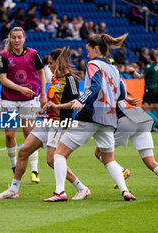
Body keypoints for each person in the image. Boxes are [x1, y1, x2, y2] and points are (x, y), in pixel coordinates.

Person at [43, 33, 136, 202]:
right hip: (109, 118)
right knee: (109, 160)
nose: (87, 55)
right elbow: (121, 92)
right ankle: (125, 191)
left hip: (90, 115)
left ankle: (60, 192)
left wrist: (81, 100)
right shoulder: (113, 68)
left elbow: (96, 85)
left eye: (88, 51)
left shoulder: (93, 64)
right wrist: (123, 98)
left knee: (59, 154)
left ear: (95, 49)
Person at [0, 47, 90, 200]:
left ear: (58, 63)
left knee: (52, 160)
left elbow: (75, 103)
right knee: (23, 151)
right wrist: (45, 108)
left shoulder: (70, 79)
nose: (49, 66)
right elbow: (54, 101)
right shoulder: (55, 79)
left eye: (51, 63)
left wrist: (58, 108)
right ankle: (13, 189)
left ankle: (81, 187)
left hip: (59, 124)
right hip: (47, 121)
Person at [94, 95, 158, 196]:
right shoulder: (119, 87)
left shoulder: (105, 90)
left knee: (99, 152)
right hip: (142, 119)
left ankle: (122, 171)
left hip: (126, 121)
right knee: (150, 161)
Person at [0, 27, 47, 183]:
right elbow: (3, 79)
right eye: (14, 37)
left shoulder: (33, 54)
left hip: (28, 100)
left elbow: (41, 73)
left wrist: (43, 94)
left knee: (29, 133)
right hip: (8, 100)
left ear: (24, 38)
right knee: (9, 134)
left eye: (19, 37)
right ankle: (14, 167)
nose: (17, 40)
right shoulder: (3, 56)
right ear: (10, 39)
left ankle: (35, 170)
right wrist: (20, 89)